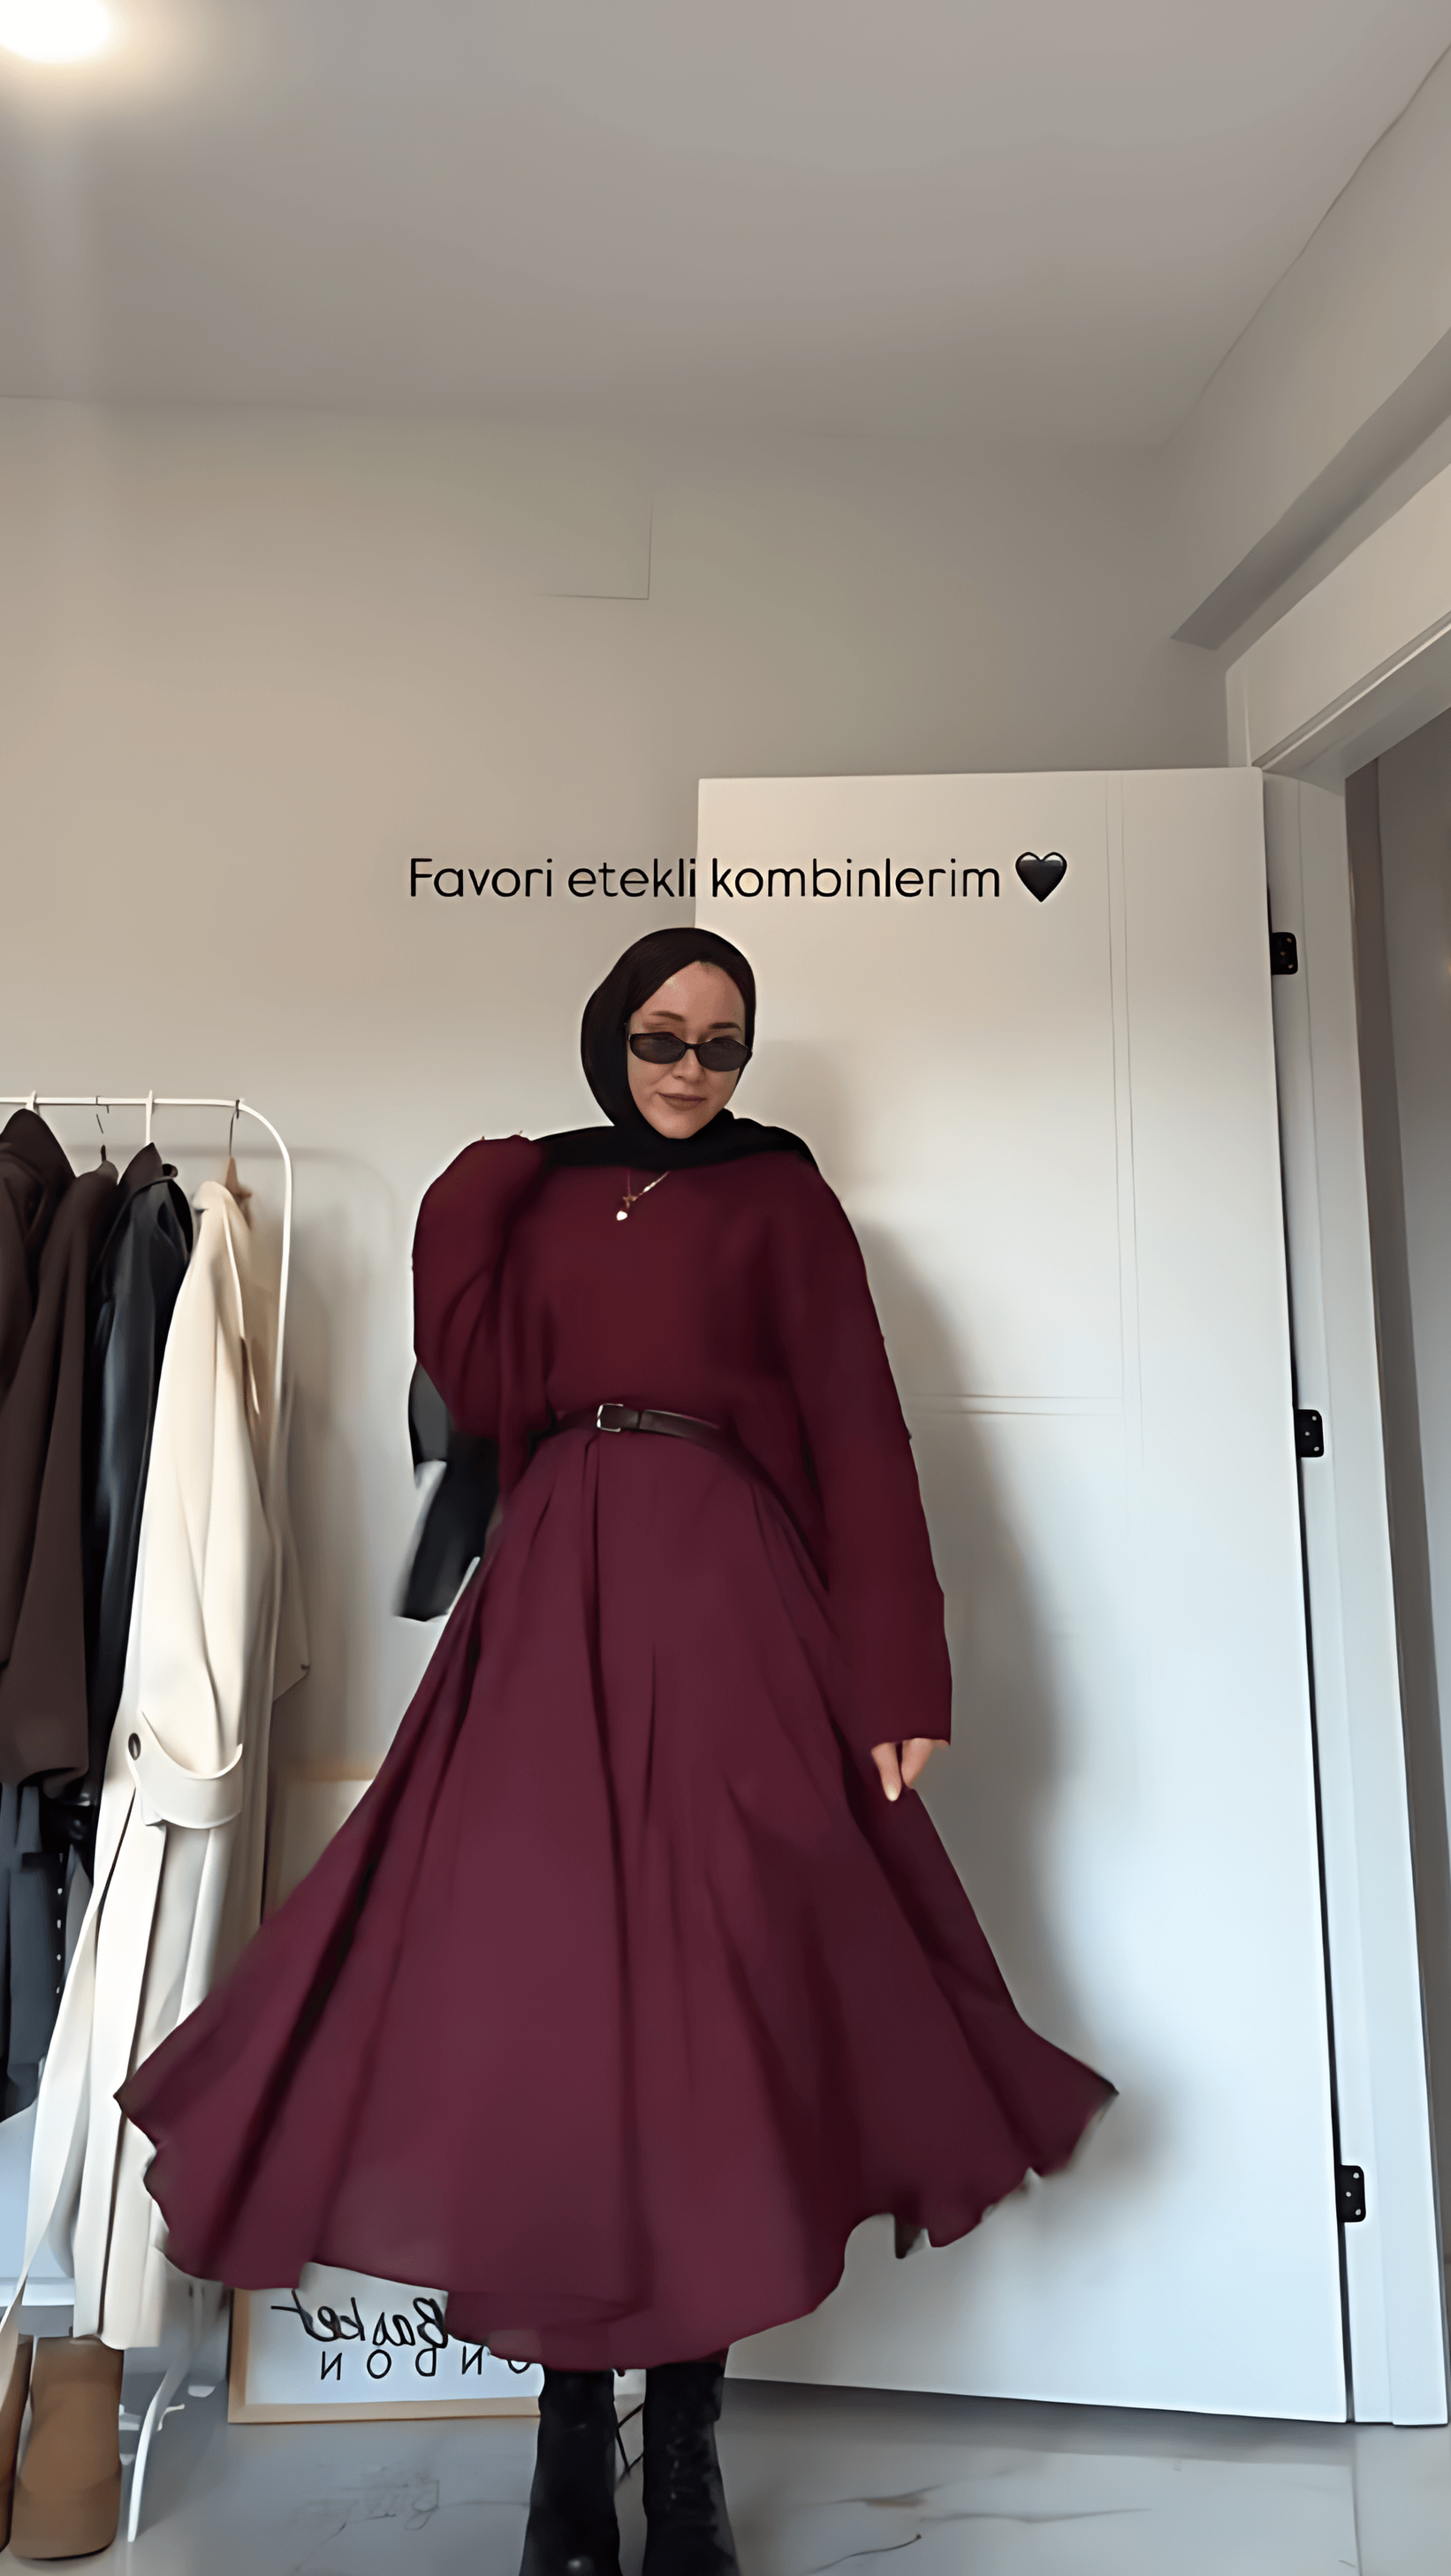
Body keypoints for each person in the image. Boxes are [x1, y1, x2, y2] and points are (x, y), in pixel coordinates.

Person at [120, 926, 1112, 2576]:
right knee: (552, 2006)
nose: (690, 1072)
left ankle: (689, 2452)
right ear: (609, 1037)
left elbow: (858, 1424)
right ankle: (569, 2446)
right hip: (550, 1597)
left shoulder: (780, 1199)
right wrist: (478, 1191)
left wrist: (898, 1675)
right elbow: (479, 1378)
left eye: (722, 1045)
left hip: (729, 1598)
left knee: (720, 2003)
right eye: (662, 1038)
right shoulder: (541, 1192)